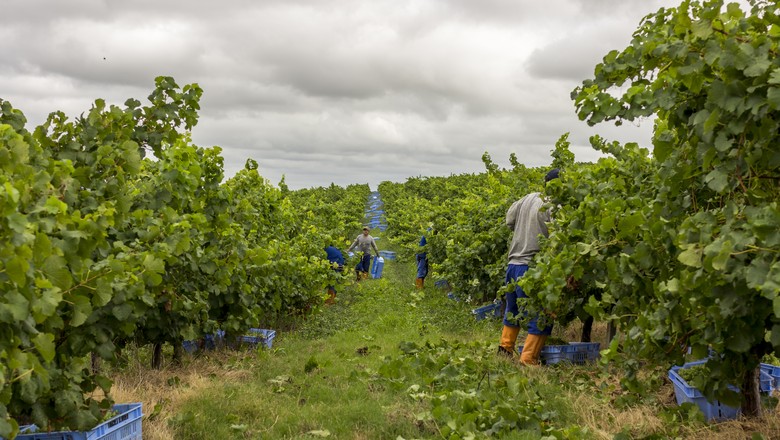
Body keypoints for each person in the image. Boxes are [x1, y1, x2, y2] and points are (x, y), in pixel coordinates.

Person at [498, 168, 559, 365]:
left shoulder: (527, 198)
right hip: (532, 269)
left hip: (513, 264)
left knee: (513, 310)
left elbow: (509, 220)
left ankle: (505, 350)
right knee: (542, 315)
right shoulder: (554, 205)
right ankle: (528, 359)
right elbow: (559, 236)